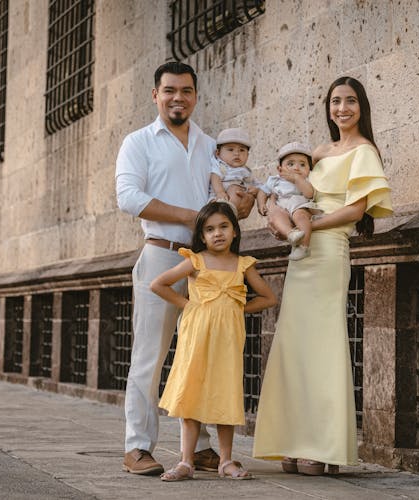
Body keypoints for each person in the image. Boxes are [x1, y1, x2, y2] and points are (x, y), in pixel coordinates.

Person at [115, 61, 254, 476]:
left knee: (204, 354)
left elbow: (227, 201)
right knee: (150, 356)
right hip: (161, 255)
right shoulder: (138, 142)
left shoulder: (211, 145)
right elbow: (129, 197)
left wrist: (239, 204)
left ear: (195, 96)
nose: (178, 97)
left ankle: (205, 447)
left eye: (186, 91)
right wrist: (192, 217)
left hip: (206, 264)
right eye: (170, 90)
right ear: (155, 95)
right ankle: (137, 447)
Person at [252, 76, 393, 475]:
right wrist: (275, 213)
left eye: (350, 101)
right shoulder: (316, 152)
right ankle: (291, 441)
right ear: (328, 107)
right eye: (335, 101)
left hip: (329, 250)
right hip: (301, 252)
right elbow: (293, 191)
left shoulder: (365, 151)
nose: (342, 108)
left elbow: (356, 209)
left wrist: (312, 224)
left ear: (361, 107)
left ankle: (322, 445)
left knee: (323, 343)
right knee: (293, 343)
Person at [150, 201, 277, 481]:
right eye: (209, 229)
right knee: (192, 390)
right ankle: (186, 461)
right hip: (196, 336)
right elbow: (158, 284)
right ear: (202, 235)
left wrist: (235, 306)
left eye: (223, 226)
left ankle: (226, 461)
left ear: (234, 231)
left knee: (225, 390)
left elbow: (269, 297)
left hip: (228, 340)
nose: (217, 233)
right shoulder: (195, 260)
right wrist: (188, 304)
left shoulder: (243, 265)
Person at [257, 142, 321, 261]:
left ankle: (304, 247)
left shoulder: (306, 180)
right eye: (290, 164)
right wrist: (261, 204)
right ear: (279, 169)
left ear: (308, 170)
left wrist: (297, 179)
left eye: (302, 164)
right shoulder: (274, 180)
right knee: (276, 216)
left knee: (301, 216)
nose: (296, 168)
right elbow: (262, 191)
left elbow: (309, 193)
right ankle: (291, 234)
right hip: (282, 207)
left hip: (299, 205)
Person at [209, 128, 262, 217]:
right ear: (218, 153)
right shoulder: (220, 165)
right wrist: (220, 192)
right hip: (218, 198)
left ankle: (229, 214)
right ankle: (225, 212)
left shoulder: (246, 171)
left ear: (247, 155)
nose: (237, 153)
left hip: (236, 204)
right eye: (230, 149)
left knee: (237, 190)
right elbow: (215, 176)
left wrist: (256, 191)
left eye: (242, 150)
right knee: (234, 189)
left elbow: (259, 185)